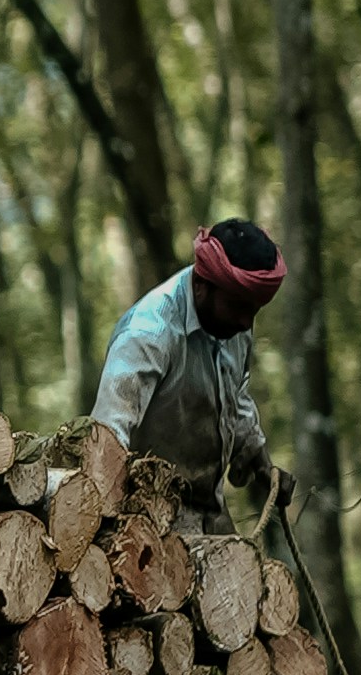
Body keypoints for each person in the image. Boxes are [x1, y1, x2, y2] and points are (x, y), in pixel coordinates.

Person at [95, 214, 290, 504]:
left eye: (254, 311)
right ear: (201, 283)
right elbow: (107, 435)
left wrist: (261, 463)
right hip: (145, 512)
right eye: (237, 307)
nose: (246, 323)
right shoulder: (147, 335)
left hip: (208, 509)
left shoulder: (233, 323)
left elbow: (235, 398)